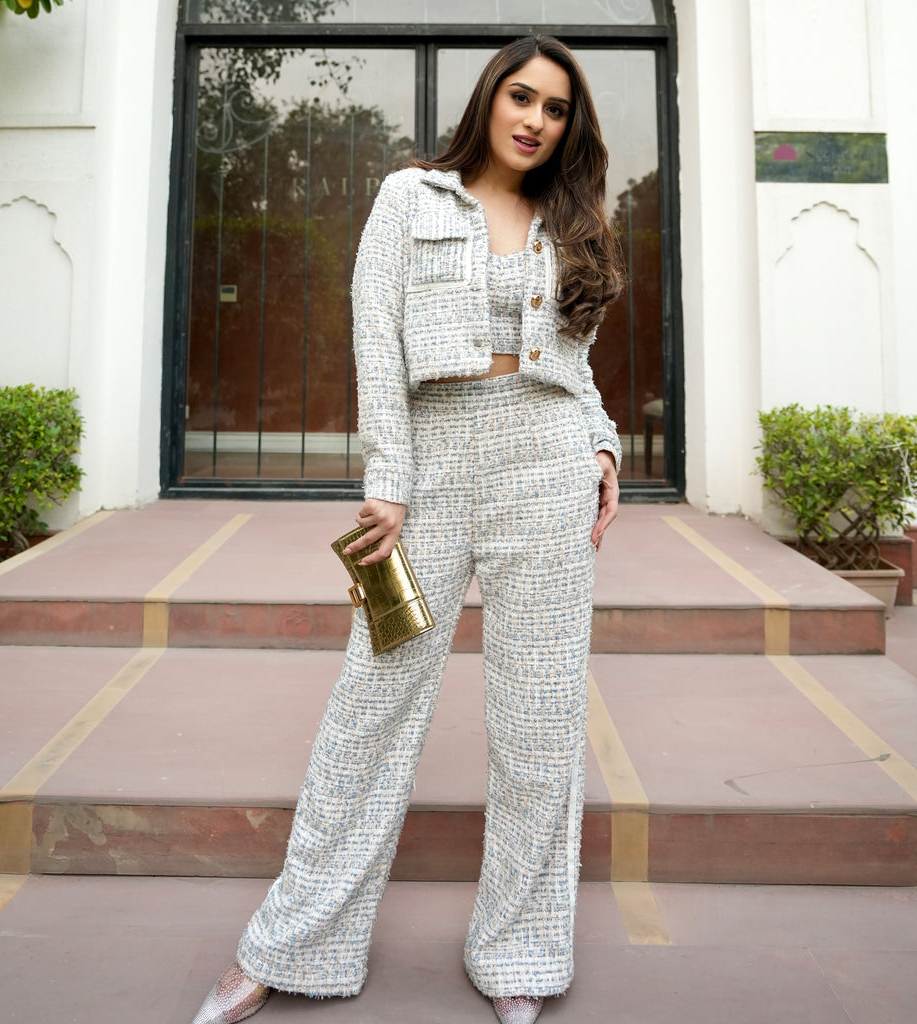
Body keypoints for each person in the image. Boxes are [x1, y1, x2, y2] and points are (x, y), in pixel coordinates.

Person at [191, 34, 623, 1024]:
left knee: (539, 728)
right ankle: (289, 941)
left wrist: (602, 448)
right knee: (369, 709)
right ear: (490, 97)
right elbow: (372, 339)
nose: (534, 120)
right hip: (427, 472)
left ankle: (518, 950)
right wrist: (388, 481)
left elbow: (575, 364)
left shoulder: (572, 221)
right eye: (522, 97)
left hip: (547, 470)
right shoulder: (409, 197)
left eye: (555, 110)